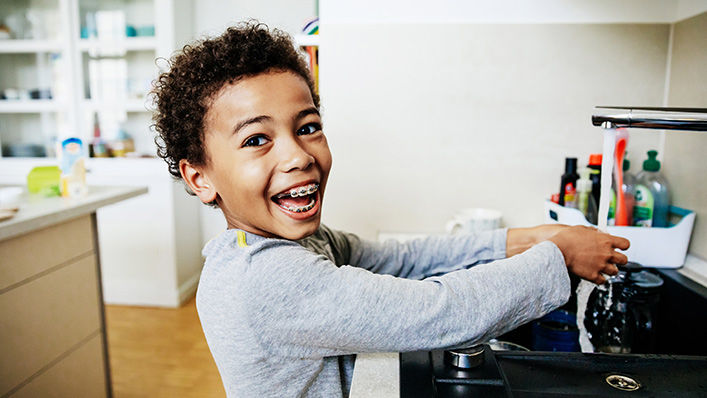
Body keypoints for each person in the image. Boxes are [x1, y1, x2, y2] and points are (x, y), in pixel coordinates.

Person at [152, 21, 629, 397]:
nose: (298, 155)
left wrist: (524, 239)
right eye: (257, 139)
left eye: (308, 126)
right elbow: (435, 312)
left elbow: (395, 259)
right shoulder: (266, 280)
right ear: (201, 178)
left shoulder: (277, 243)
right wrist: (558, 257)